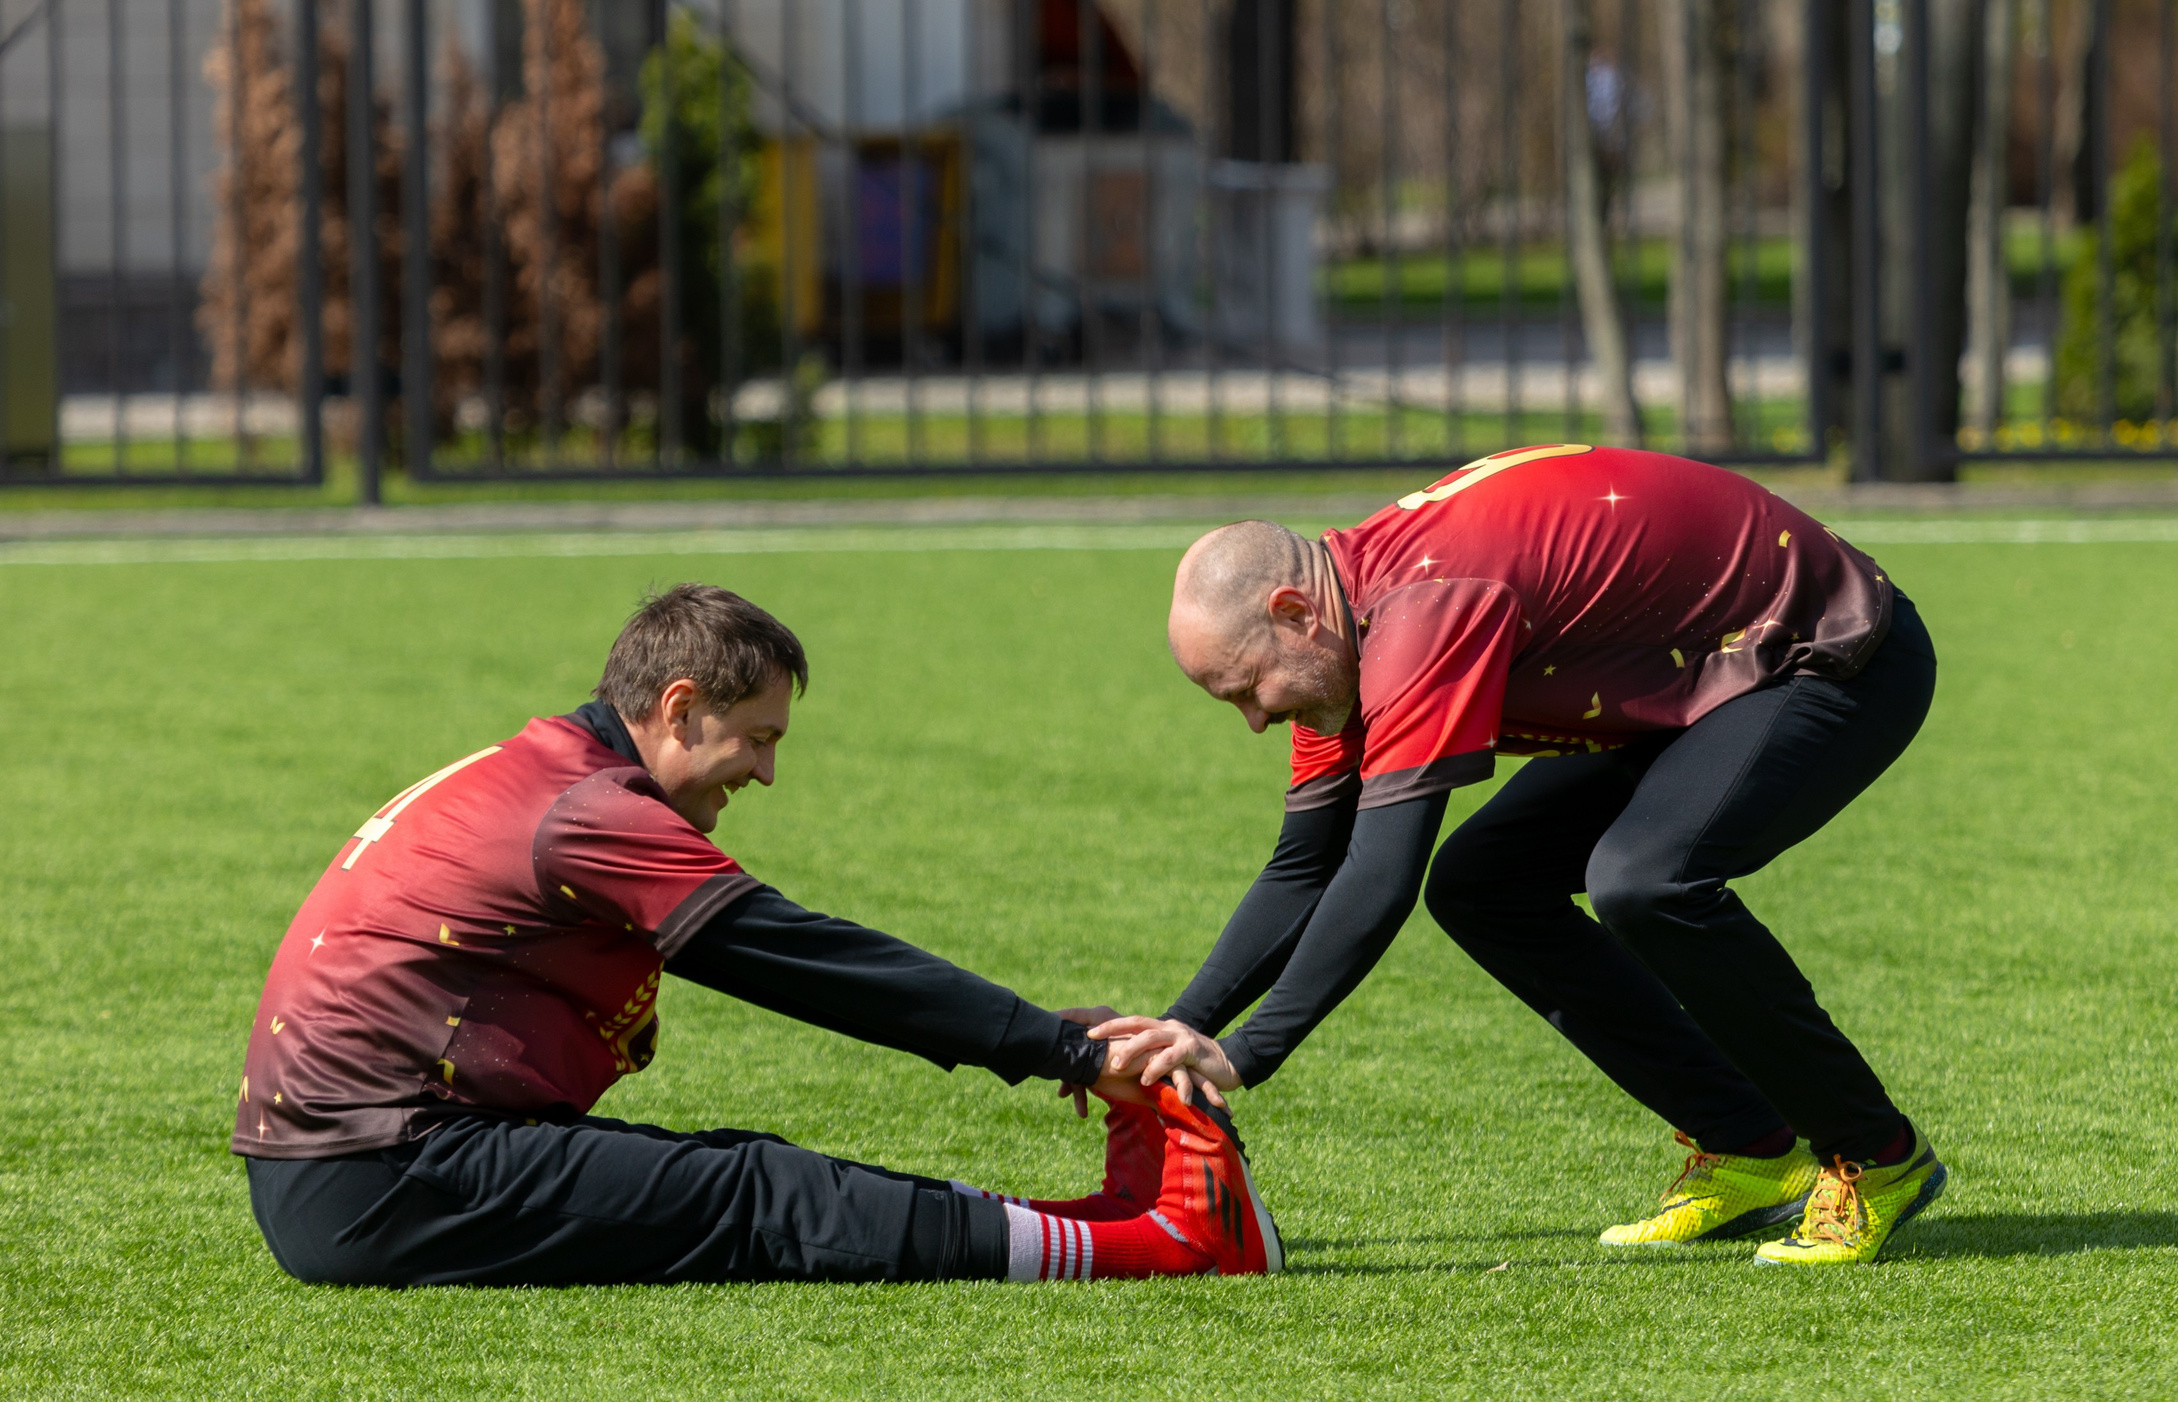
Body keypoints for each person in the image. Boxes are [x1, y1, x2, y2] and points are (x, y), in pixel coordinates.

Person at [234, 582, 1280, 1287]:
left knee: (737, 1170)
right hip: (380, 1173)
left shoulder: (546, 770)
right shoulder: (586, 810)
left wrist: (1042, 1040)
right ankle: (1154, 1244)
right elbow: (803, 960)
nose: (766, 772)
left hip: (352, 1163)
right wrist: (1067, 1052)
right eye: (757, 737)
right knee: (759, 1191)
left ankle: (1095, 1224)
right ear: (680, 708)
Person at [1097, 444, 1945, 1267]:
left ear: (1293, 613)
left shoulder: (1421, 610)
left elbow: (1380, 873)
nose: (1254, 719)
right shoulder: (1341, 639)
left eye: (1248, 688)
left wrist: (1246, 1055)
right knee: (1484, 886)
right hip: (1701, 677)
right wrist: (1183, 1028)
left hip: (1832, 656)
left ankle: (1876, 1153)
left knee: (1647, 881)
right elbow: (1304, 868)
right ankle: (1749, 1144)